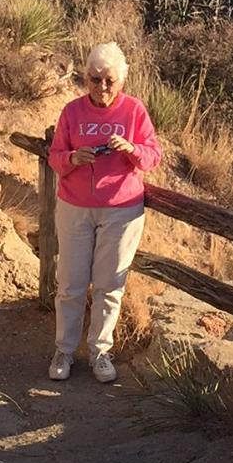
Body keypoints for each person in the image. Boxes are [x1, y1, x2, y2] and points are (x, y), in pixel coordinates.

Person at [46, 42, 161, 384]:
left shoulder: (134, 110)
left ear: (121, 80)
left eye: (110, 80)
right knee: (70, 283)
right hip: (75, 207)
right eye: (95, 79)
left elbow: (153, 156)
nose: (102, 87)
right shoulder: (72, 112)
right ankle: (64, 350)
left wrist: (131, 149)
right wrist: (72, 158)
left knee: (110, 285)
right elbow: (55, 157)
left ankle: (100, 352)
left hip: (121, 211)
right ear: (86, 79)